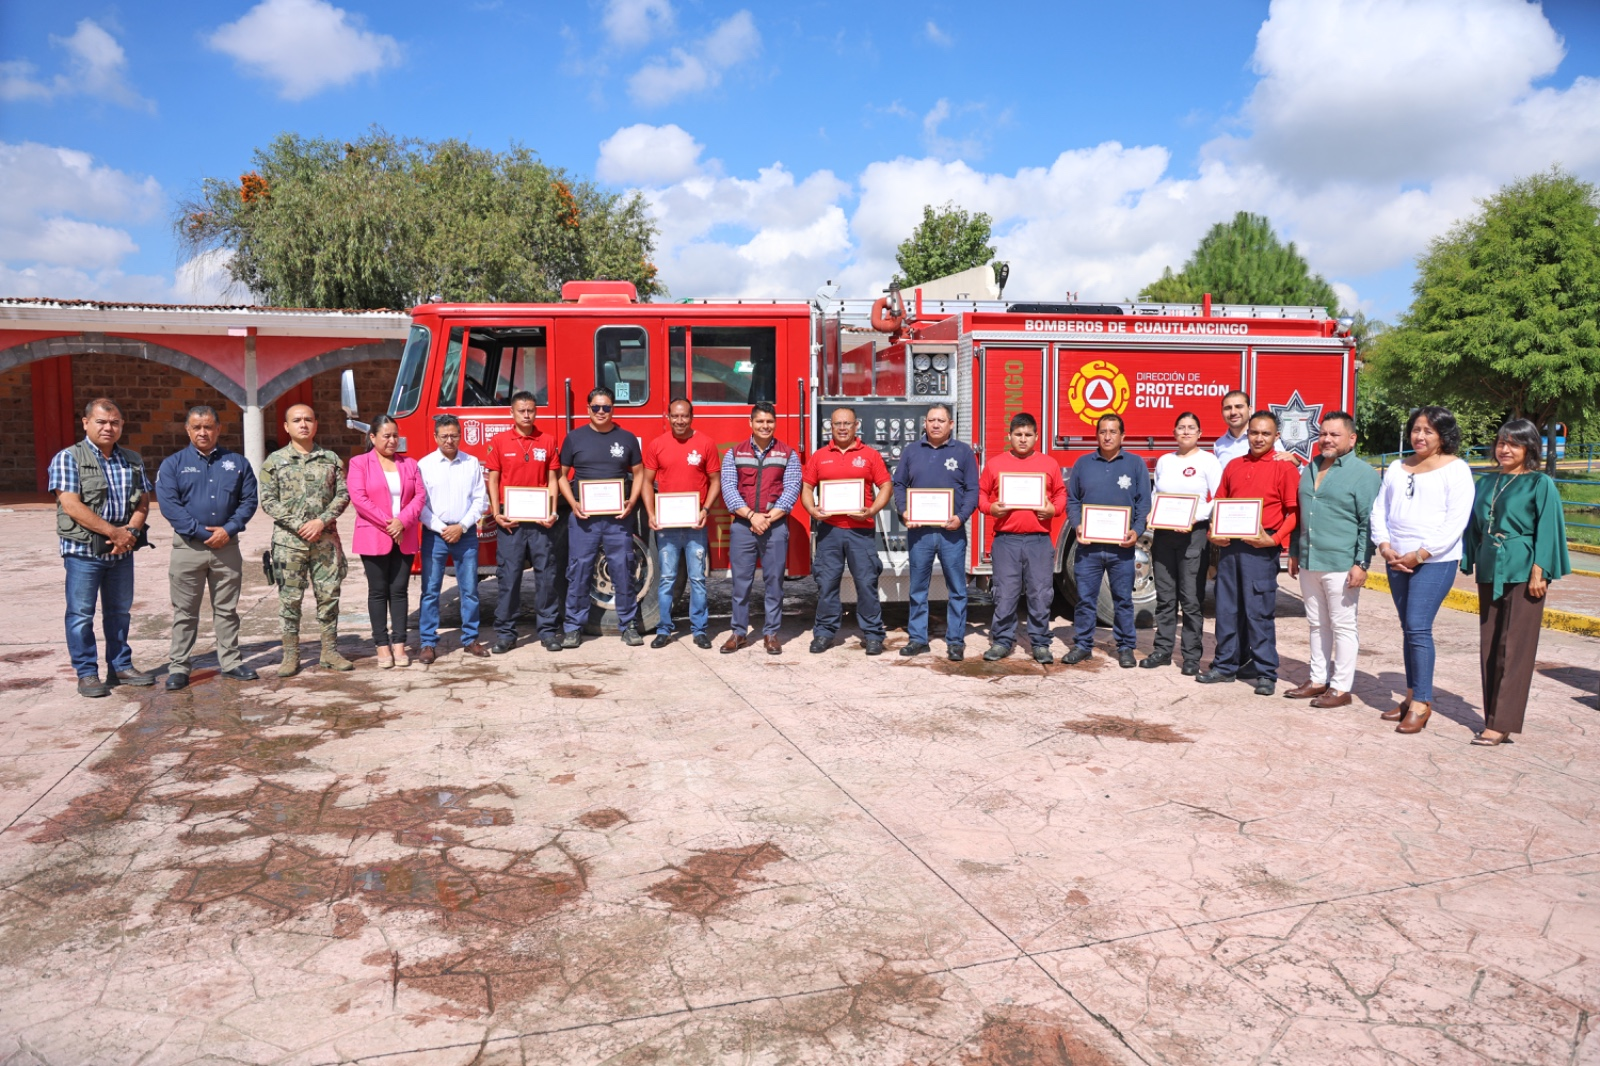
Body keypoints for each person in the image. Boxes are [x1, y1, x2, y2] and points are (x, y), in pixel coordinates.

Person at [1461, 419, 1570, 746]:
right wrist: (1469, 558)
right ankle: (1493, 715)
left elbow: (1548, 527)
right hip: (1491, 567)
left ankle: (1502, 723)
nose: (1505, 449)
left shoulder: (1539, 483)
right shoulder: (1485, 482)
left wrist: (1541, 571)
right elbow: (1474, 525)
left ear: (1529, 448)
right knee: (1490, 644)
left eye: (1513, 444)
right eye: (1501, 442)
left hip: (1524, 569)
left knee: (1515, 648)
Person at [1371, 405, 1476, 734]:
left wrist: (1420, 554)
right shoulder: (1397, 467)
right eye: (1416, 429)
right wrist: (1385, 546)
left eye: (1428, 431)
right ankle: (1410, 696)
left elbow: (1455, 521)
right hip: (1396, 559)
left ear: (1444, 435)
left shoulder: (1456, 470)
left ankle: (1422, 702)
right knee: (1409, 628)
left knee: (1418, 627)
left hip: (1435, 561)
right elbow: (1379, 509)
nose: (1420, 436)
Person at [48, 398, 155, 698]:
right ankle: (87, 673)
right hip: (84, 553)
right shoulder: (68, 458)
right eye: (101, 422)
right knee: (81, 615)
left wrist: (131, 532)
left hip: (122, 552)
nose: (109, 427)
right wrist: (114, 532)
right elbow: (71, 505)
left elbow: (143, 501)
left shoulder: (132, 459)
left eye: (115, 422)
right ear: (86, 423)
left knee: (119, 612)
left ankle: (120, 666)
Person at [155, 405, 259, 690]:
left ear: (218, 429)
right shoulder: (173, 465)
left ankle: (231, 662)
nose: (203, 432)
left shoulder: (237, 463)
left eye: (209, 426)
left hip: (227, 547)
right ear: (187, 430)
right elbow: (170, 506)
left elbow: (249, 500)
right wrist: (201, 533)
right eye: (197, 427)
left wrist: (229, 529)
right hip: (188, 548)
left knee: (227, 609)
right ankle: (179, 667)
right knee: (185, 611)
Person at [1198, 411, 1299, 696]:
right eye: (1254, 432)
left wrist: (1274, 539)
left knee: (1259, 612)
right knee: (1226, 609)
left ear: (1276, 436)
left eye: (1266, 433)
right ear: (1247, 434)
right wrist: (1213, 532)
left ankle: (1265, 672)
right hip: (1231, 548)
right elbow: (1219, 502)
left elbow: (1294, 512)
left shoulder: (1284, 468)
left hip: (1261, 549)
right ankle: (1225, 666)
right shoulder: (1233, 465)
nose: (1259, 438)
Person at [1285, 412, 1380, 707]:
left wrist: (1361, 563)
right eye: (1323, 433)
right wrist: (1294, 551)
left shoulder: (1364, 475)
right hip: (1309, 559)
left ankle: (1340, 688)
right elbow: (1301, 513)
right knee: (1316, 623)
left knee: (1343, 626)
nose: (1326, 439)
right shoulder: (1311, 467)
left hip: (1341, 563)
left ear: (1351, 439)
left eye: (1334, 434)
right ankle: (1317, 680)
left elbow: (1368, 523)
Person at [259, 403, 352, 677]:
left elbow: (343, 495)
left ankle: (329, 651)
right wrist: (300, 525)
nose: (303, 424)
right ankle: (291, 655)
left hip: (325, 542)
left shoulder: (331, 459)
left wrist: (321, 521)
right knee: (290, 600)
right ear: (286, 427)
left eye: (308, 419)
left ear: (315, 424)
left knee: (329, 596)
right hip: (289, 544)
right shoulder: (274, 462)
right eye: (297, 420)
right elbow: (268, 500)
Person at [801, 406, 893, 655]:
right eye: (837, 424)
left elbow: (886, 486)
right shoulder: (820, 456)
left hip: (860, 532)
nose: (842, 428)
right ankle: (824, 633)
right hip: (830, 531)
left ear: (856, 426)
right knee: (827, 584)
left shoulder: (870, 455)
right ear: (831, 426)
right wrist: (812, 510)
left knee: (866, 584)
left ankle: (873, 635)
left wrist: (872, 510)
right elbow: (807, 488)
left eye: (847, 423)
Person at [892, 403, 979, 660]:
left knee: (957, 589)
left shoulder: (963, 452)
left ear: (951, 424)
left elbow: (973, 489)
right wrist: (904, 511)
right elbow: (899, 484)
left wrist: (961, 517)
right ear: (925, 423)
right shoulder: (911, 451)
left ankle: (955, 641)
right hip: (920, 533)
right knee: (918, 588)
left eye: (941, 420)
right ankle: (918, 639)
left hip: (952, 532)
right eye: (932, 420)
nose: (936, 424)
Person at [558, 388, 645, 647]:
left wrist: (632, 502)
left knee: (623, 570)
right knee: (579, 570)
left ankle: (628, 625)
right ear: (588, 408)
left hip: (618, 519)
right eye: (596, 407)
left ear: (613, 409)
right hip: (584, 519)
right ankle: (573, 627)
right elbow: (560, 475)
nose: (600, 412)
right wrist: (573, 503)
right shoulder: (574, 438)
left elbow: (639, 473)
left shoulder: (627, 439)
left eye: (606, 407)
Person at [978, 413, 1066, 663]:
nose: (1023, 439)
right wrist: (991, 508)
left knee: (1040, 594)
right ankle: (1002, 641)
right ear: (1010, 436)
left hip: (1039, 541)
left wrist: (1053, 509)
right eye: (1018, 434)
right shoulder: (995, 464)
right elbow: (980, 494)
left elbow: (1061, 494)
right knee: (1005, 594)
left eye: (1028, 434)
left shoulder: (1049, 464)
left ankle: (1040, 643)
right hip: (1006, 541)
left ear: (1036, 437)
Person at [1065, 413, 1150, 668]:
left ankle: (1126, 647)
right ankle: (1083, 645)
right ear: (1096, 435)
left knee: (1122, 600)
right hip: (1089, 549)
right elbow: (1073, 500)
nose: (1108, 436)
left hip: (1121, 549)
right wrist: (1078, 524)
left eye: (1113, 431)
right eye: (1103, 431)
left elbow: (1143, 503)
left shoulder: (1135, 464)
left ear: (1123, 436)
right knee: (1085, 599)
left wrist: (1136, 531)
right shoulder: (1083, 464)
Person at [720, 401, 802, 655]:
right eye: (760, 421)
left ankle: (771, 633)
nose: (765, 426)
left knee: (774, 582)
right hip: (743, 526)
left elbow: (792, 490)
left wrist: (766, 518)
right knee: (740, 584)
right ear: (751, 423)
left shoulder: (788, 454)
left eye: (769, 421)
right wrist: (752, 516)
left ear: (775, 423)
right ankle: (739, 632)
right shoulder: (734, 453)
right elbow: (728, 489)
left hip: (774, 526)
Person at [485, 391, 562, 654]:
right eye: (522, 411)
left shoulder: (547, 441)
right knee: (509, 576)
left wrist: (552, 511)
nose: (527, 415)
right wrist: (496, 513)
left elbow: (552, 480)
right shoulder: (499, 441)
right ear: (512, 412)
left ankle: (548, 631)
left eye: (531, 410)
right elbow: (493, 479)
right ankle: (506, 634)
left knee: (546, 576)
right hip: (511, 522)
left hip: (541, 522)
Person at [1145, 411, 1222, 675]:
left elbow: (1218, 498)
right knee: (1165, 597)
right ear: (1174, 432)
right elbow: (1156, 493)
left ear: (1200, 433)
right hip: (1164, 535)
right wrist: (1152, 513)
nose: (1186, 432)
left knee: (1191, 598)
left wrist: (1194, 517)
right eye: (1181, 427)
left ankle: (1191, 656)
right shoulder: (1165, 461)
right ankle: (1162, 650)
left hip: (1193, 534)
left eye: (1191, 427)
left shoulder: (1208, 461)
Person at [347, 415, 424, 668]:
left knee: (399, 591)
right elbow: (359, 499)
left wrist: (402, 521)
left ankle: (399, 644)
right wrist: (390, 524)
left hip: (404, 534)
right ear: (373, 437)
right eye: (386, 436)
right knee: (378, 591)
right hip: (374, 535)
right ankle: (381, 645)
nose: (392, 440)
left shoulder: (410, 464)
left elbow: (420, 497)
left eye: (395, 436)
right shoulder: (359, 463)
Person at [644, 399, 721, 649]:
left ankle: (699, 630)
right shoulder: (657, 445)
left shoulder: (706, 444)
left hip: (695, 526)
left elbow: (715, 480)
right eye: (675, 416)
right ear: (667, 417)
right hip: (667, 527)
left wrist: (705, 510)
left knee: (697, 579)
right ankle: (664, 629)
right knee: (667, 578)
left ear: (692, 417)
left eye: (684, 416)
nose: (680, 421)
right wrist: (651, 513)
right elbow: (647, 482)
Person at [417, 415, 489, 664]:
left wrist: (461, 526)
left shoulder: (471, 463)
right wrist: (441, 528)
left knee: (469, 590)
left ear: (460, 436)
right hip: (434, 534)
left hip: (465, 533)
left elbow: (480, 500)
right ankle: (428, 642)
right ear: (435, 437)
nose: (449, 440)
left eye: (454, 435)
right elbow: (420, 504)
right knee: (430, 590)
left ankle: (470, 639)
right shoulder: (425, 465)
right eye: (444, 436)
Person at [1214, 390, 1288, 466]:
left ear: (1250, 410)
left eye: (1239, 407)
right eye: (1228, 408)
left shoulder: (1267, 440)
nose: (1233, 412)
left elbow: (1284, 467)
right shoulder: (1219, 444)